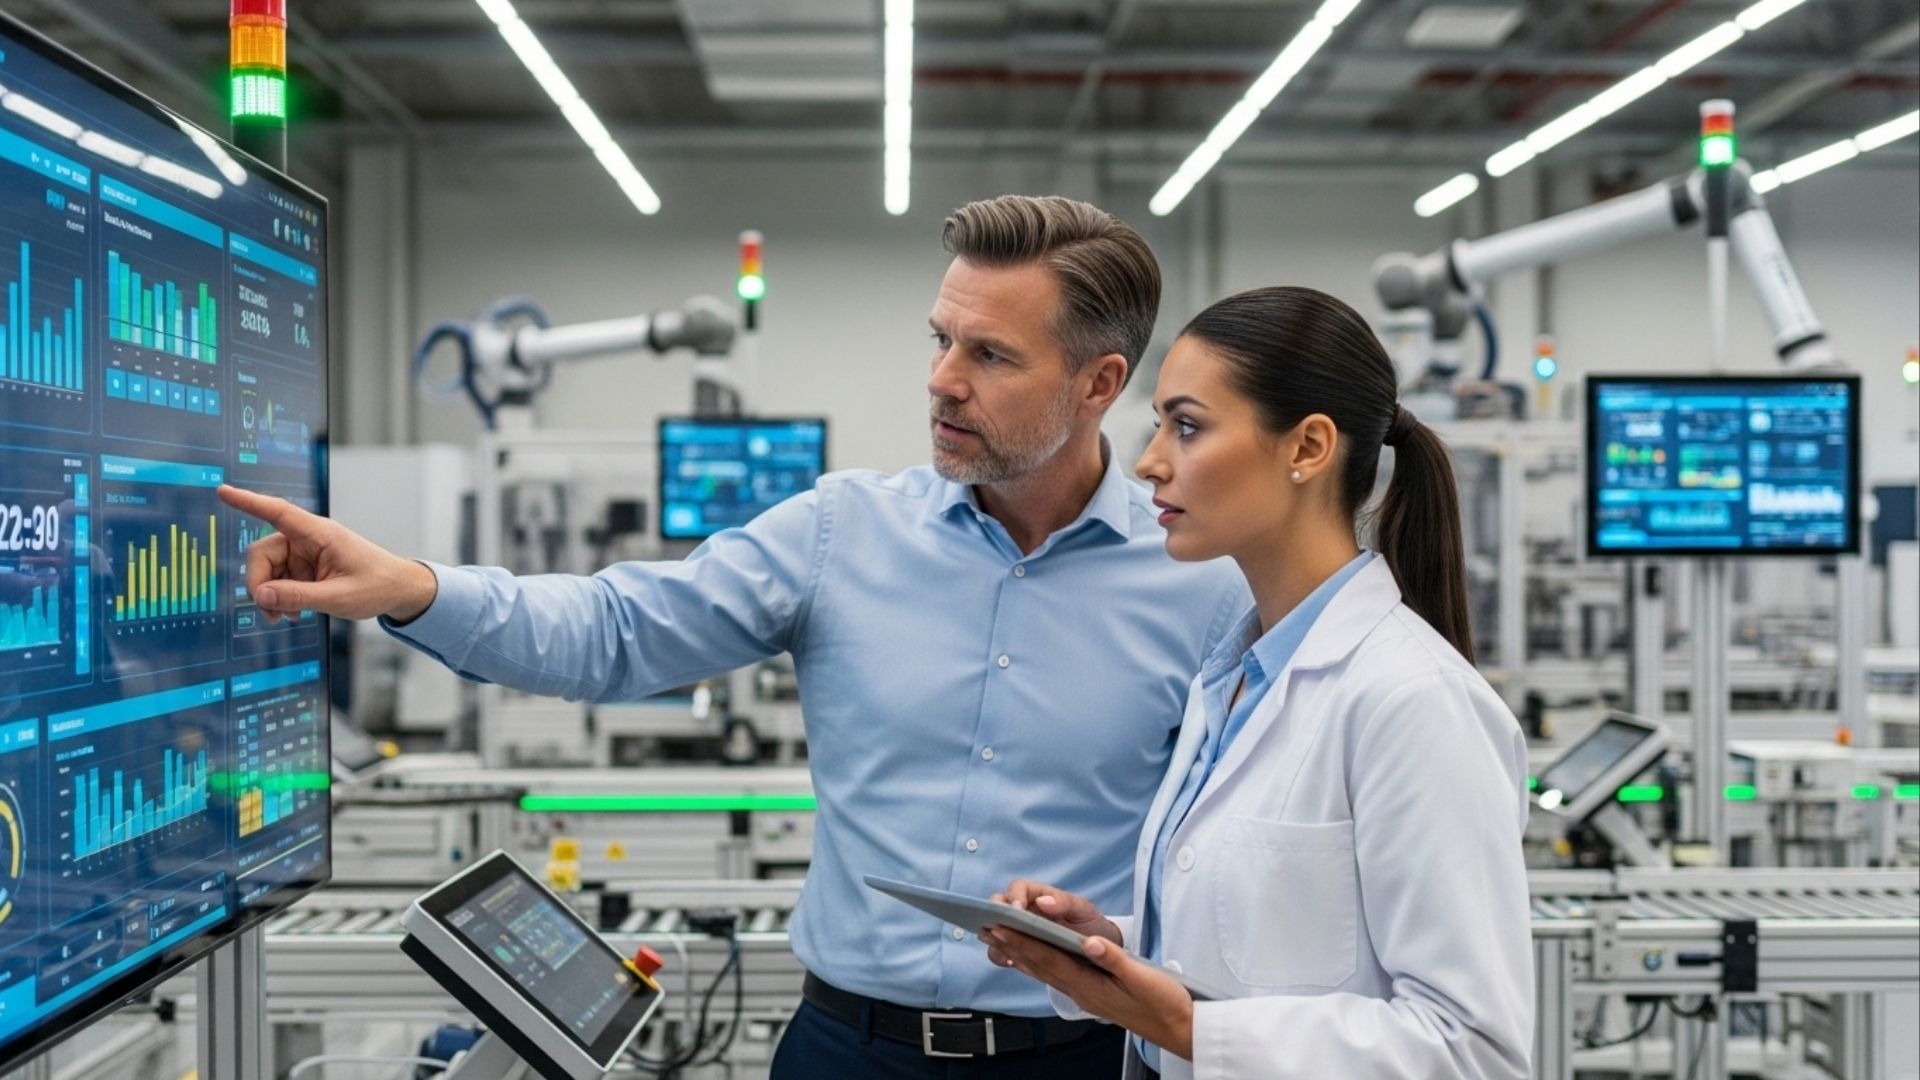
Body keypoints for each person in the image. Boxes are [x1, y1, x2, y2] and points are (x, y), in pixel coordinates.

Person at [219, 195, 1247, 1078]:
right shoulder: (842, 531)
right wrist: (412, 588)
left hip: (1078, 1059)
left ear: (1099, 385)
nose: (942, 380)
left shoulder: (1203, 587)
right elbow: (617, 632)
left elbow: (1241, 865)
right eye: (940, 339)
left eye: (989, 355)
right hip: (846, 1050)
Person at [979, 286, 1533, 1080]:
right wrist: (1109, 949)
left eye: (1188, 426)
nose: (1149, 461)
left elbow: (1472, 1050)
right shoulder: (1237, 679)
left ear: (1307, 448)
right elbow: (1271, 948)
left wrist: (1188, 1027)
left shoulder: (1413, 701)